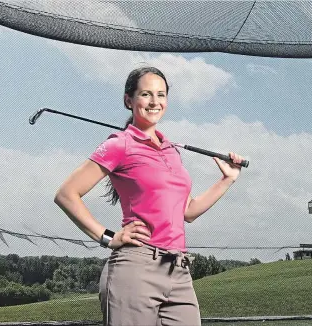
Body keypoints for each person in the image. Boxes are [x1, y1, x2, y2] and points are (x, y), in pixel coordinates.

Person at [54, 66, 244, 326]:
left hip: (178, 269)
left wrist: (227, 180)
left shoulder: (172, 152)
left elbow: (187, 211)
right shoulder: (119, 144)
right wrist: (109, 237)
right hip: (136, 266)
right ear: (128, 100)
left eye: (161, 95)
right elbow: (66, 194)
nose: (155, 102)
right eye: (146, 94)